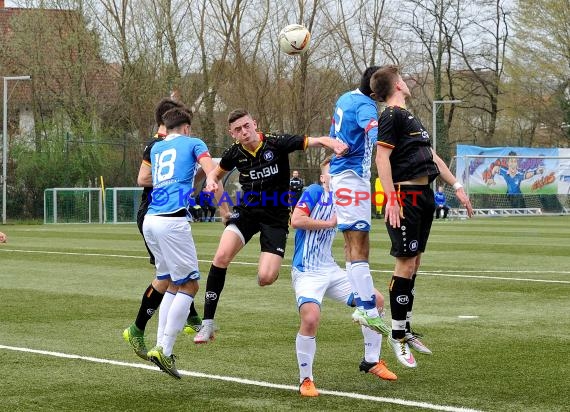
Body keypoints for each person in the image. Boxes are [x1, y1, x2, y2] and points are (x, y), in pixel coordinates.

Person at [193, 108, 348, 343]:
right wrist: (213, 186)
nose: (244, 132)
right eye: (238, 130)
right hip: (247, 213)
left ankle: (267, 271)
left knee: (266, 277)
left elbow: (314, 141)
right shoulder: (234, 153)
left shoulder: (277, 142)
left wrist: (332, 143)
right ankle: (207, 324)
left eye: (247, 126)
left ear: (254, 124)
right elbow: (214, 174)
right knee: (221, 256)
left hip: (275, 217)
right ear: (232, 133)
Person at [370, 65, 473, 368]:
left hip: (424, 195)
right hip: (405, 195)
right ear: (398, 85)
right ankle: (397, 334)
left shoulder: (410, 118)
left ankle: (406, 326)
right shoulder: (391, 115)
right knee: (405, 261)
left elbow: (433, 158)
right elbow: (381, 157)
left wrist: (457, 186)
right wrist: (391, 198)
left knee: (415, 261)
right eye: (403, 78)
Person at [291, 156, 396, 397]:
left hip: (331, 269)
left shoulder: (344, 199)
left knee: (376, 301)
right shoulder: (314, 191)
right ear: (323, 177)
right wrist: (329, 223)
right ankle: (305, 379)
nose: (337, 176)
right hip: (307, 271)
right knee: (310, 318)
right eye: (332, 172)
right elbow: (296, 220)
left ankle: (371, 361)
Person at [138, 107, 225, 378]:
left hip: (151, 219)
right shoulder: (194, 142)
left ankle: (160, 345)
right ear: (186, 127)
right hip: (172, 222)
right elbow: (210, 168)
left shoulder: (157, 148)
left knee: (172, 282)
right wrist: (211, 180)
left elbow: (171, 174)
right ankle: (164, 348)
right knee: (190, 285)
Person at [123, 101, 204, 364]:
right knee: (178, 281)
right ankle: (143, 332)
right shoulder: (161, 145)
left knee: (170, 277)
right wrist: (176, 180)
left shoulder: (160, 146)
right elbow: (142, 179)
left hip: (156, 216)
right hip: (161, 212)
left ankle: (167, 337)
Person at [328, 66, 391, 336]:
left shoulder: (345, 98)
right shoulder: (367, 107)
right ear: (376, 91)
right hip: (353, 177)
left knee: (351, 243)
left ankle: (361, 301)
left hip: (340, 175)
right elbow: (378, 138)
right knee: (360, 244)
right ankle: (367, 307)